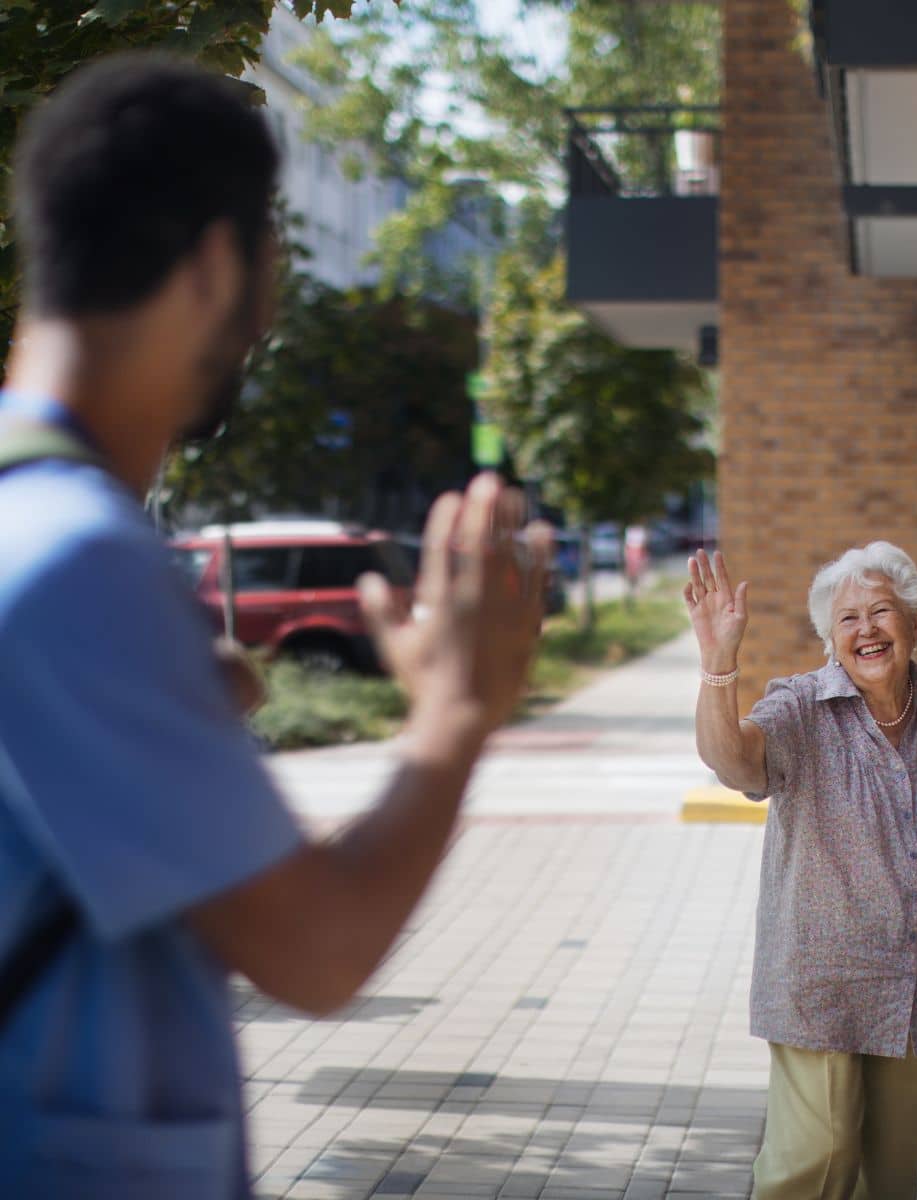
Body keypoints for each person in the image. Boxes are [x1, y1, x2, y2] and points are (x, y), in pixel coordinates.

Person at [0, 54, 551, 1198]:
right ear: (216, 262)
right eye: (273, 262)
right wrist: (456, 711)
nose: (270, 315)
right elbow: (319, 949)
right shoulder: (80, 556)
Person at [685, 543, 917, 1200]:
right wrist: (719, 665)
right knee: (817, 1160)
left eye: (882, 611)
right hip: (821, 985)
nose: (867, 630)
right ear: (830, 637)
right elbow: (735, 763)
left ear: (915, 622)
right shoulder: (800, 708)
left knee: (891, 1176)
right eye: (848, 618)